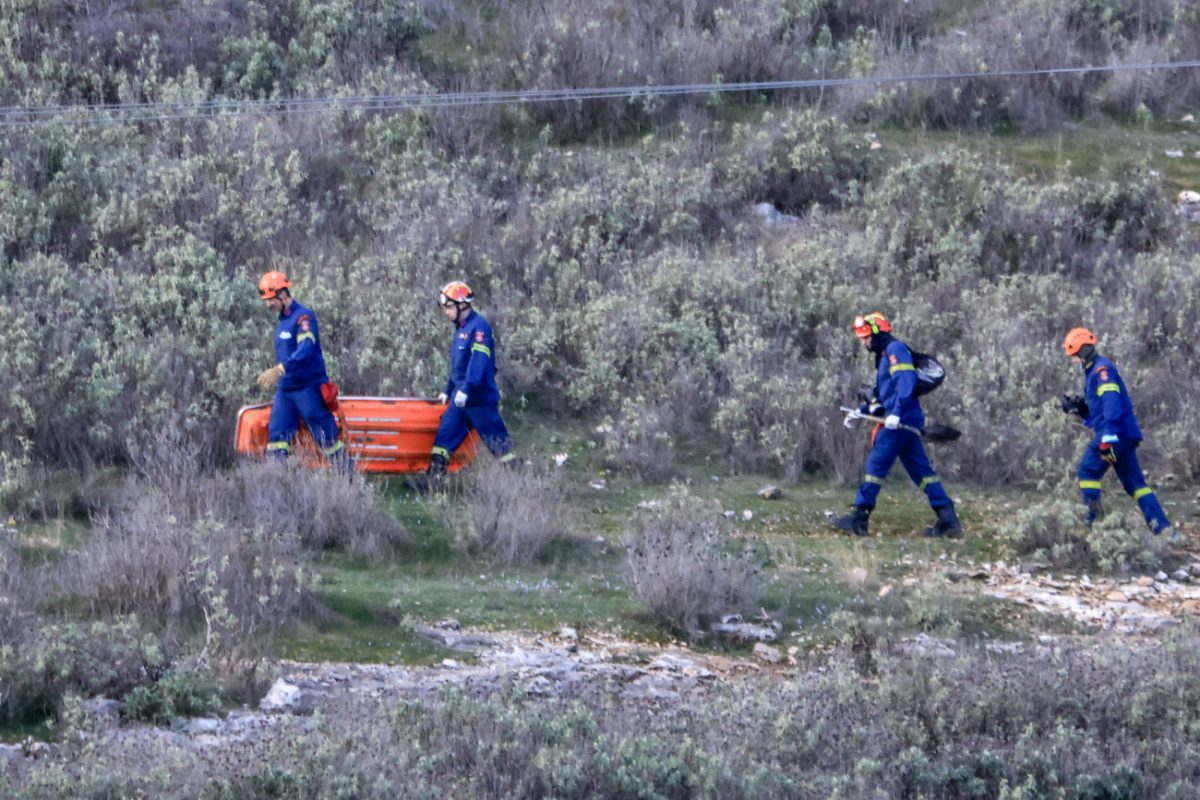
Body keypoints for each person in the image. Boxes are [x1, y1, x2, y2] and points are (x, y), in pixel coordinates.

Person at [832, 312, 962, 538]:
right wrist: (860, 412)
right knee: (922, 472)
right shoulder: (884, 355)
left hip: (899, 422)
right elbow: (885, 394)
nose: (863, 342)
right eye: (861, 338)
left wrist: (897, 414)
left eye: (866, 337)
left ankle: (859, 519)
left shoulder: (895, 350)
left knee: (875, 466)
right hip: (904, 419)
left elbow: (907, 383)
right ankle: (948, 519)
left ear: (878, 333)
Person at [1060, 327, 1177, 541]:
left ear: (1083, 351)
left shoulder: (1101, 371)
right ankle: (1166, 532)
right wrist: (1080, 408)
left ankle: (1095, 528)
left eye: (1075, 355)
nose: (1074, 360)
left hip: (1114, 436)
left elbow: (1112, 405)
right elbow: (1101, 410)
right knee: (1136, 485)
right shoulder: (1094, 371)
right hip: (1121, 435)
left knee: (1087, 473)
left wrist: (1108, 437)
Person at [411, 281, 515, 489]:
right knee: (444, 437)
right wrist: (448, 390)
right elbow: (458, 367)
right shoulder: (461, 330)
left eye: (449, 307)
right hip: (460, 400)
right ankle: (433, 481)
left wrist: (467, 389)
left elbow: (478, 363)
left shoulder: (480, 328)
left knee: (499, 446)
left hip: (479, 401)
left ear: (462, 305)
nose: (447, 312)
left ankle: (519, 483)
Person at [255, 270, 349, 471]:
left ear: (282, 294)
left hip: (308, 388)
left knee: (326, 437)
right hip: (286, 390)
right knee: (277, 436)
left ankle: (349, 477)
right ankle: (276, 482)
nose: (267, 305)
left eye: (270, 299)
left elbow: (305, 349)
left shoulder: (303, 317)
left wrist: (280, 368)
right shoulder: (282, 322)